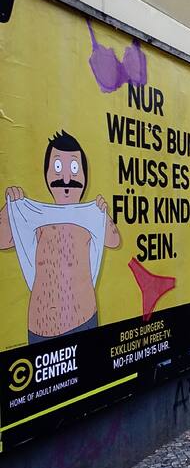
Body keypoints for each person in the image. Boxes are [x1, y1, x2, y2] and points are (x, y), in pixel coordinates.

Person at [0, 130, 121, 343]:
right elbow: (3, 240)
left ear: (84, 175)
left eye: (74, 168)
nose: (66, 178)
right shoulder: (35, 217)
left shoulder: (89, 216)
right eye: (58, 167)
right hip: (42, 328)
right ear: (47, 173)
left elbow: (114, 241)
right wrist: (9, 210)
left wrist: (104, 215)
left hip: (85, 318)